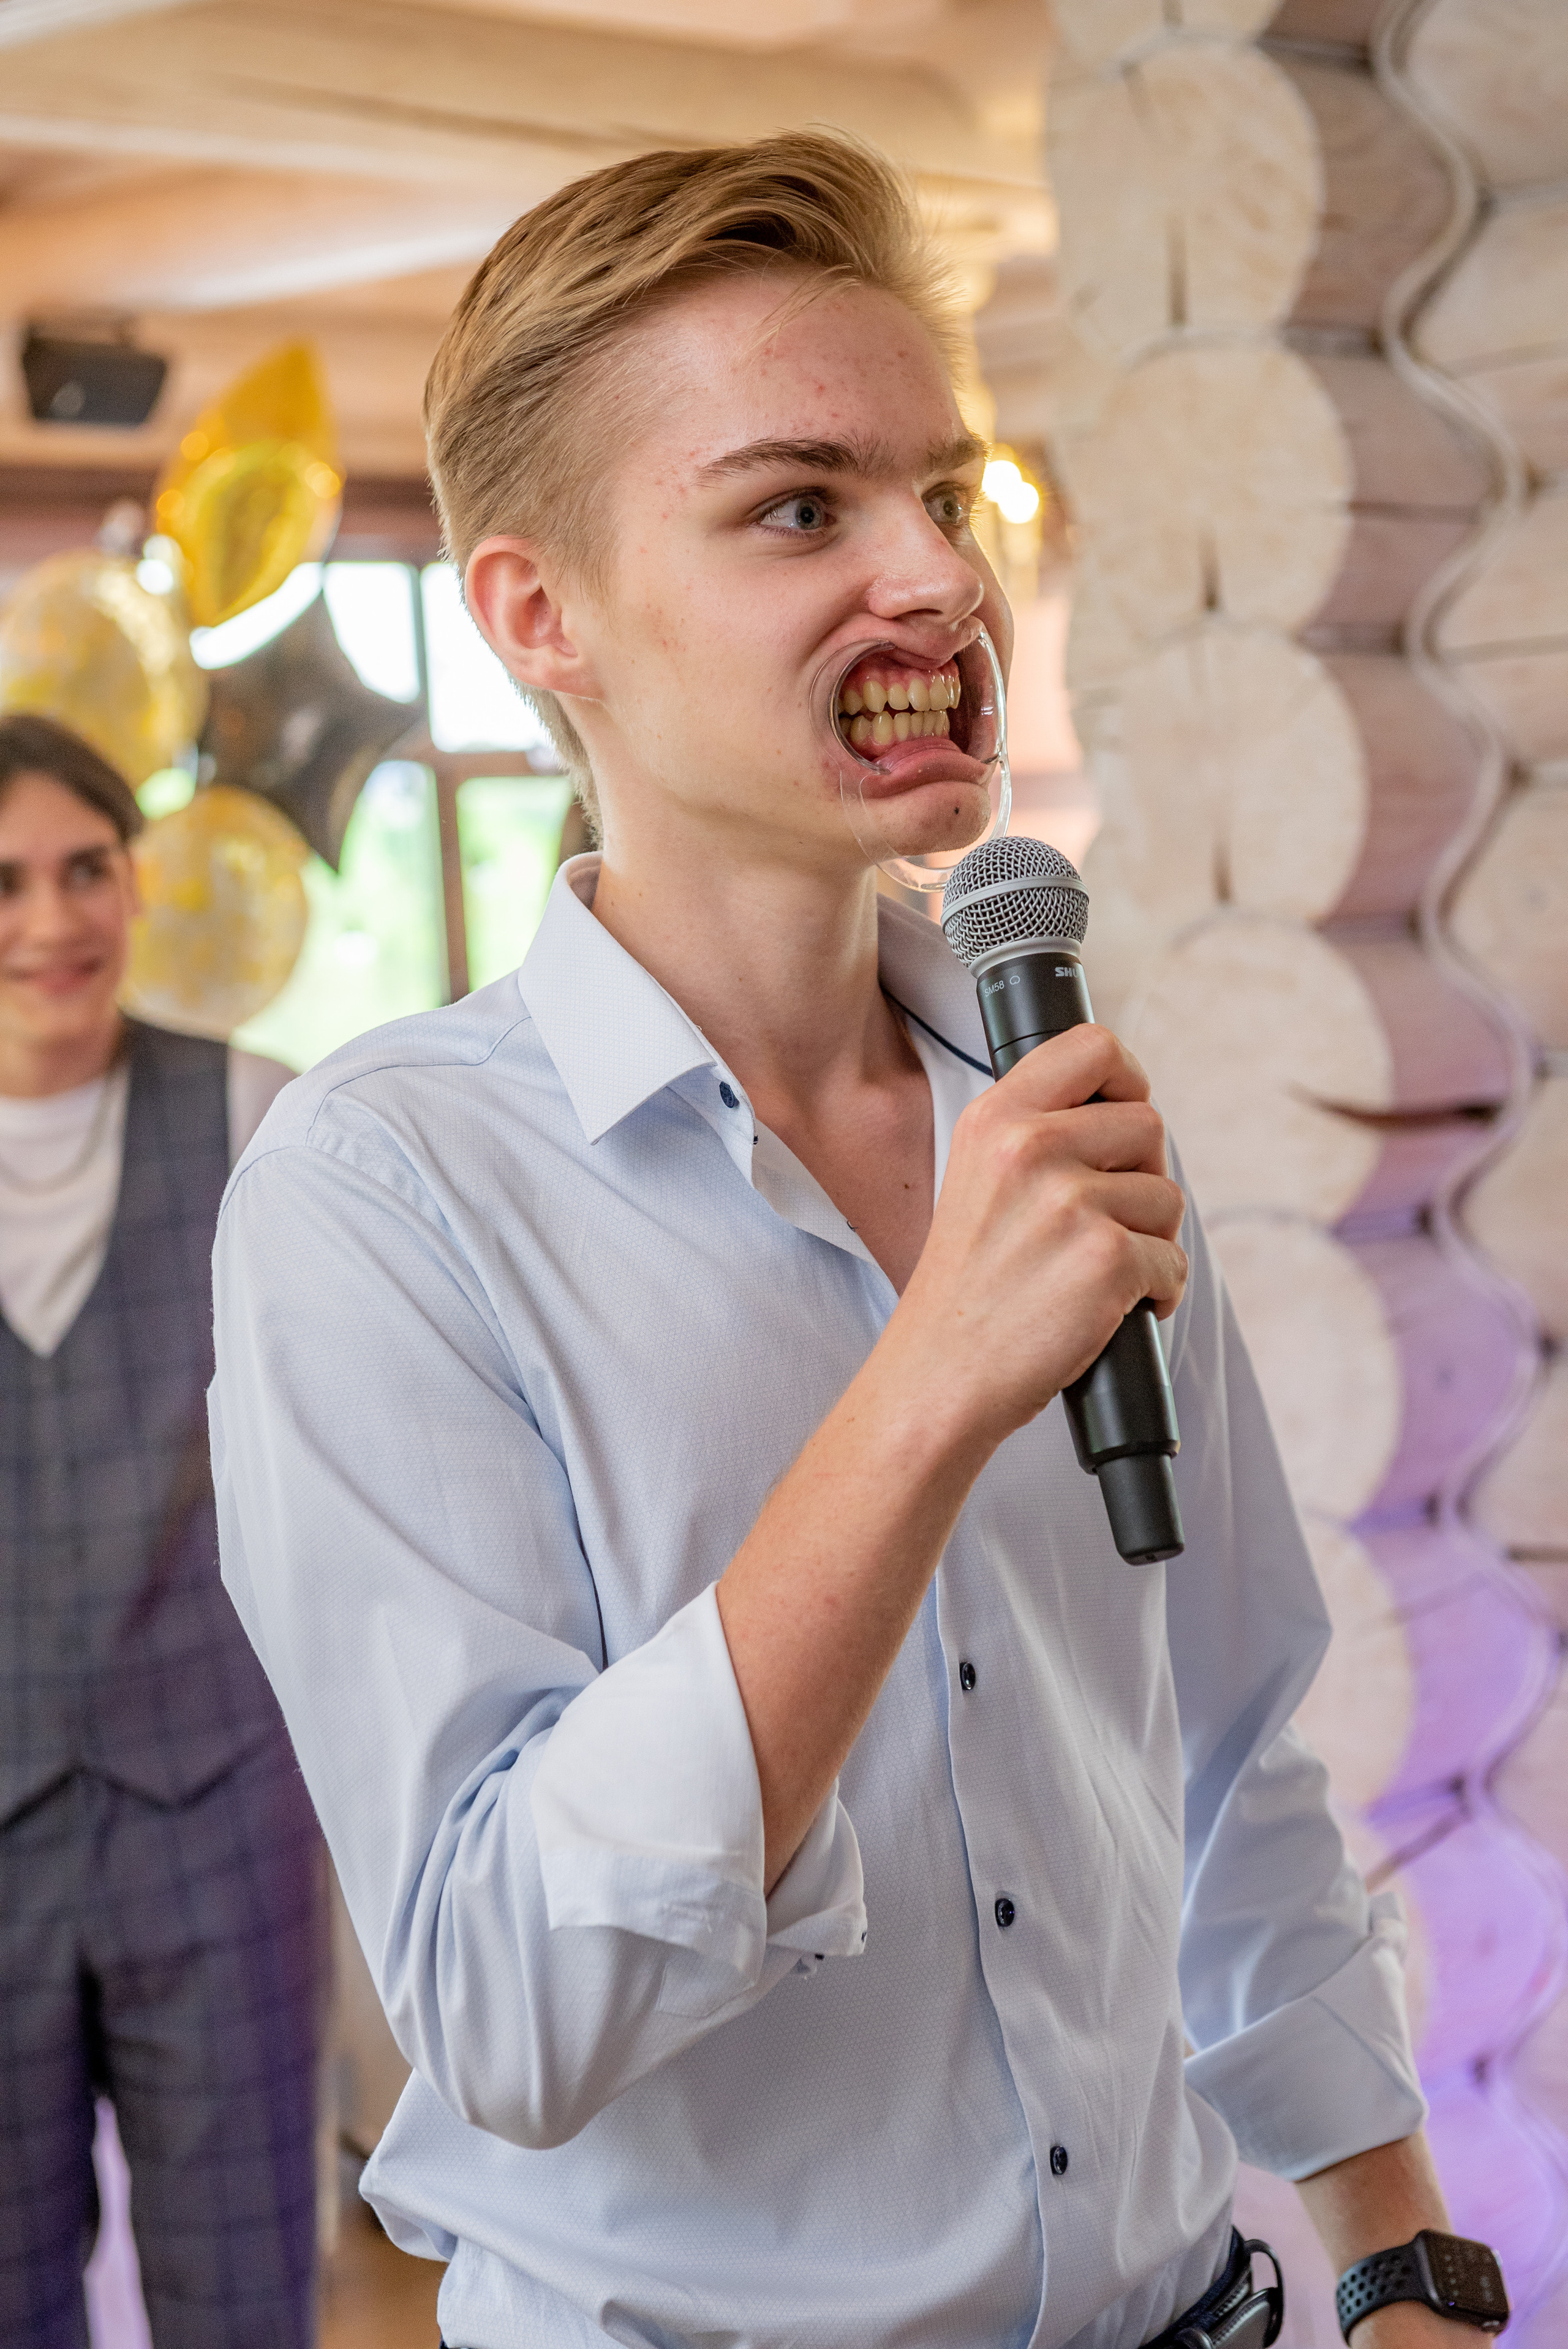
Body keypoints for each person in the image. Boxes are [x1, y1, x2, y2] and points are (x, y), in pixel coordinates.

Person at [210, 137, 1475, 2349]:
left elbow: (1233, 1735)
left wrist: (1403, 2262)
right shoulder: (378, 1193)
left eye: (951, 494)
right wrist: (923, 1388)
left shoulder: (1054, 1088)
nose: (941, 578)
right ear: (537, 616)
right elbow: (507, 1999)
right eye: (802, 508)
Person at [0, 713, 325, 2348]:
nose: (50, 922)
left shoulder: (259, 1113)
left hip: (221, 1812)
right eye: (4, 882)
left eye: (85, 871)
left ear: (138, 883)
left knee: (247, 2289)